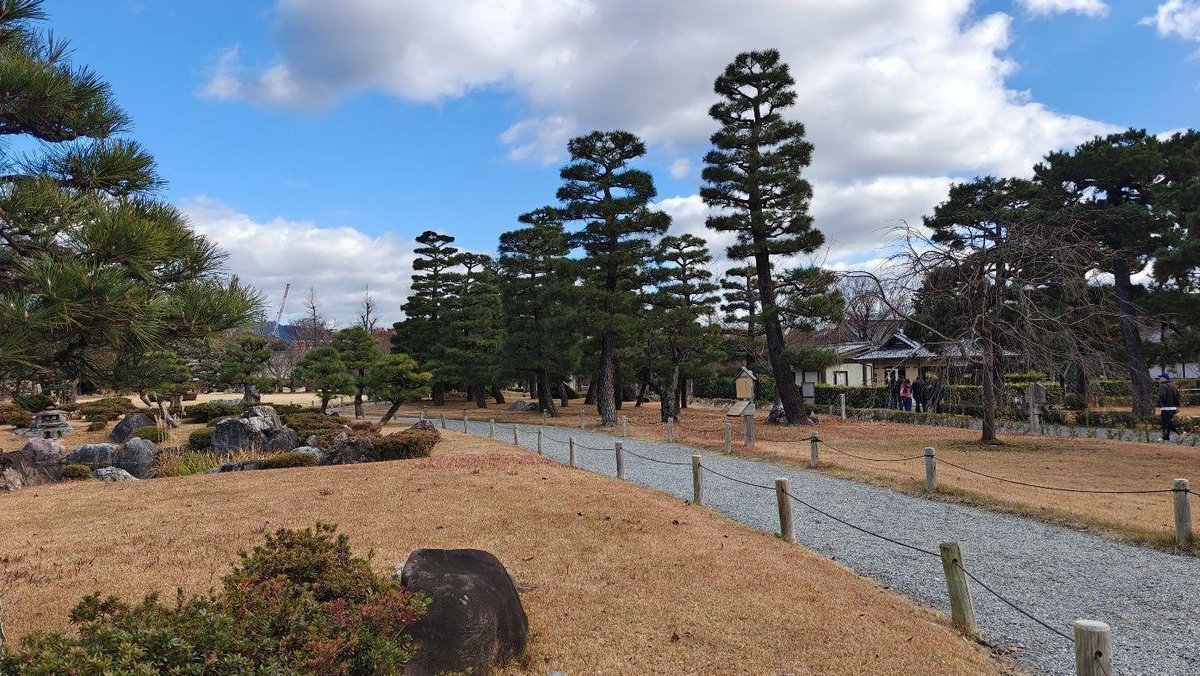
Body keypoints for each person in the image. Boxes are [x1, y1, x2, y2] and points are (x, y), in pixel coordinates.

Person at [1158, 372, 1183, 442]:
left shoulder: (1162, 386)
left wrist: (1159, 402)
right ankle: (1166, 437)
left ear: (1164, 379)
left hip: (1166, 407)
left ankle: (1180, 432)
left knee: (1166, 422)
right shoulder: (1173, 386)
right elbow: (1178, 395)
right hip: (1173, 407)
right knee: (1167, 422)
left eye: (1160, 377)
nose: (1159, 379)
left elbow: (1162, 396)